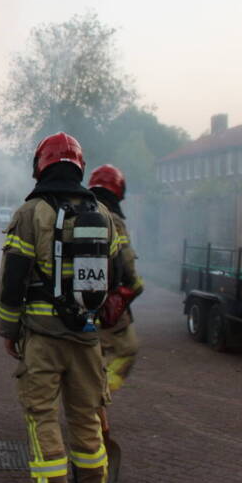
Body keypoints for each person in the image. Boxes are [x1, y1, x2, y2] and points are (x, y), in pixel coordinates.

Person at [0, 132, 117, 483]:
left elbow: (13, 278)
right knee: (86, 414)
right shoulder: (101, 212)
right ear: (79, 166)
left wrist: (7, 329)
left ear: (41, 164)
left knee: (42, 415)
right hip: (86, 336)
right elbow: (111, 277)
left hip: (43, 337)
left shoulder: (31, 212)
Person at [89, 165, 144, 397]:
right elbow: (125, 258)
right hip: (110, 301)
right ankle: (99, 396)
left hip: (82, 298)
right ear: (118, 190)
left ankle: (91, 400)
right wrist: (135, 285)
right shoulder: (114, 220)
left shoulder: (82, 213)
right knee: (127, 349)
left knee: (93, 354)